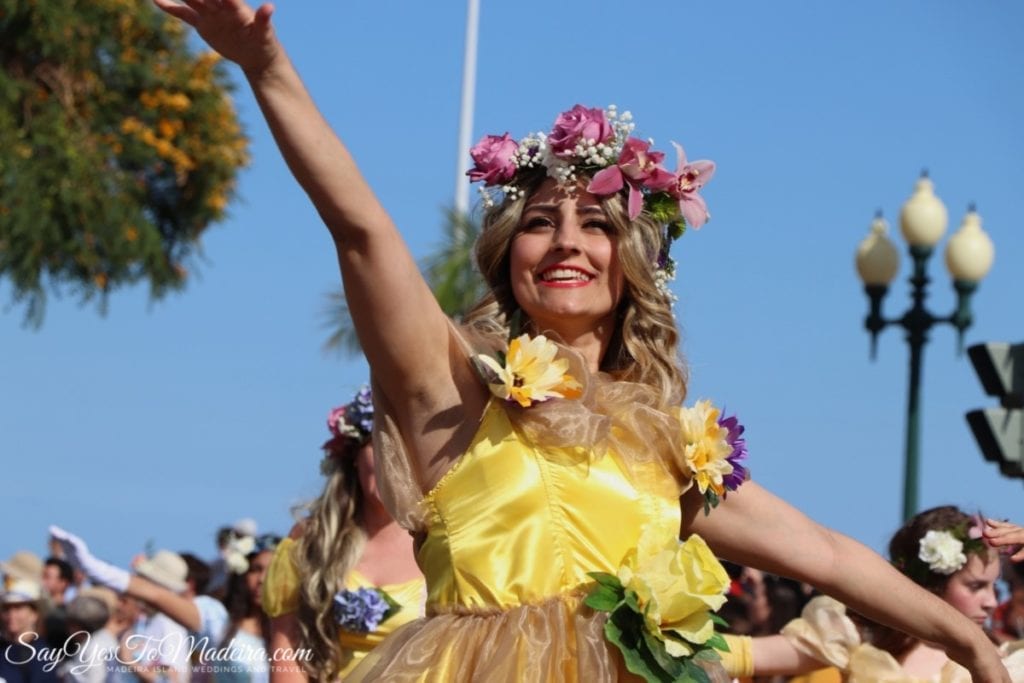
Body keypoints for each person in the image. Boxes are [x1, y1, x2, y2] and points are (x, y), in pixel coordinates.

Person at [149, 2, 1012, 680]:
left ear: (633, 261)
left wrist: (966, 639)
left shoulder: (669, 447)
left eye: (594, 222)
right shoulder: (450, 390)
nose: (565, 241)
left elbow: (826, 553)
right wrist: (266, 66)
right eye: (540, 223)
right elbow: (364, 233)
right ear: (508, 257)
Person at [721, 507, 1024, 681]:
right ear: (932, 582)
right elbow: (742, 656)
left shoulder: (1008, 662)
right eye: (975, 586)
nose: (992, 601)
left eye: (994, 586)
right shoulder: (858, 635)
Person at [260, 386, 423, 681]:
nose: (390, 460)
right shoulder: (311, 539)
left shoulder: (440, 538)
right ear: (354, 457)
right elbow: (287, 649)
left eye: (401, 447)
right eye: (378, 444)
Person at [49, 528, 280, 683]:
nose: (262, 579)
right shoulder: (218, 622)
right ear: (243, 574)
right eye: (256, 569)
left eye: (274, 570)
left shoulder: (299, 632)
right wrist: (95, 569)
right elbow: (156, 595)